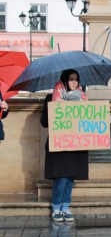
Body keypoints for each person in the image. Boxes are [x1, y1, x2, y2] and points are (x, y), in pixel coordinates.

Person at [44, 69, 89, 222]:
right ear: (64, 80)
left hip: (75, 144)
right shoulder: (51, 97)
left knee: (70, 177)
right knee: (61, 177)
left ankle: (65, 206)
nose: (74, 82)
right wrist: (56, 110)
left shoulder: (82, 99)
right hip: (59, 144)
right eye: (71, 79)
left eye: (76, 79)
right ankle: (56, 206)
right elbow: (44, 122)